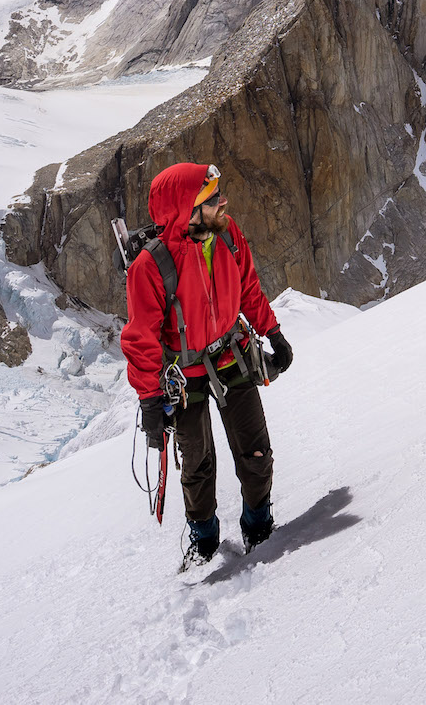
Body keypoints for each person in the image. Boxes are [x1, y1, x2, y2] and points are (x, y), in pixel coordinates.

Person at [121, 161, 295, 567]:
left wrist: (272, 331)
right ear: (188, 209)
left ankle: (258, 525)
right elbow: (140, 337)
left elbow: (248, 286)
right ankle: (204, 541)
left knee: (255, 449)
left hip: (231, 353)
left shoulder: (227, 235)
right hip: (183, 375)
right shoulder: (151, 266)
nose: (223, 203)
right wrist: (149, 398)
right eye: (213, 199)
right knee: (196, 465)